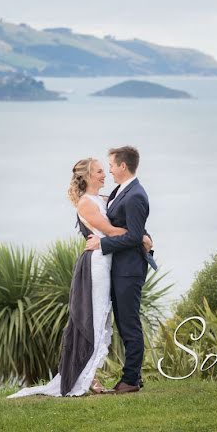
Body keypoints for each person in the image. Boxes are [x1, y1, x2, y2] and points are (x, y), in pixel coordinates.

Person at [7, 157, 153, 398]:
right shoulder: (85, 204)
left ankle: (90, 374)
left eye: (105, 170)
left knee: (102, 319)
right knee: (91, 320)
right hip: (96, 265)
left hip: (109, 263)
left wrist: (139, 234)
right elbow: (111, 231)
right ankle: (85, 377)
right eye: (98, 171)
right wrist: (141, 238)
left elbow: (124, 219)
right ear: (87, 176)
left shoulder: (105, 199)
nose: (104, 174)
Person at [84, 145, 150, 394]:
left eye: (111, 165)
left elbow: (133, 236)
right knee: (124, 323)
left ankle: (131, 380)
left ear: (123, 166)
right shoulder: (121, 191)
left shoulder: (135, 195)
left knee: (129, 324)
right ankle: (134, 376)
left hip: (129, 270)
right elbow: (134, 227)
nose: (109, 170)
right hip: (119, 267)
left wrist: (103, 243)